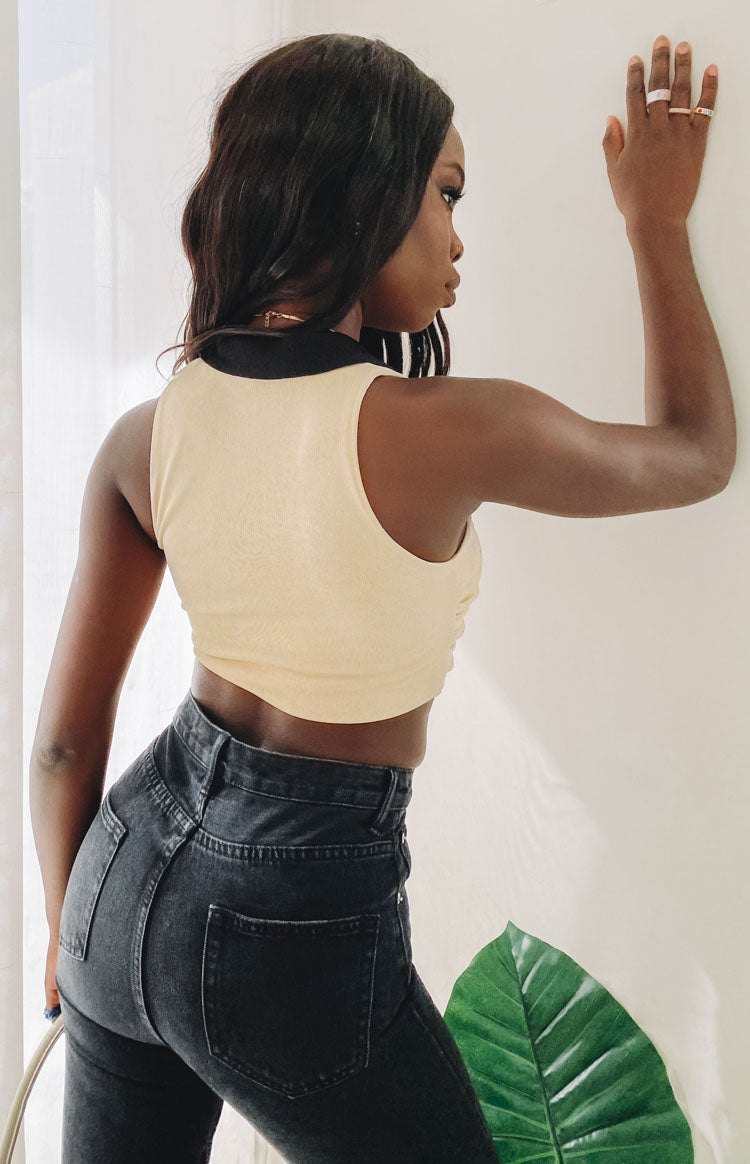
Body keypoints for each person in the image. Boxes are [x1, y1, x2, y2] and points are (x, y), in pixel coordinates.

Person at [30, 30, 732, 1164]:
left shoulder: (146, 435)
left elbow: (63, 746)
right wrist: (655, 223)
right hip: (293, 916)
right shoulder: (450, 430)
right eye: (446, 192)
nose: (458, 238)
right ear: (363, 193)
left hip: (116, 871)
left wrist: (67, 938)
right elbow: (696, 455)